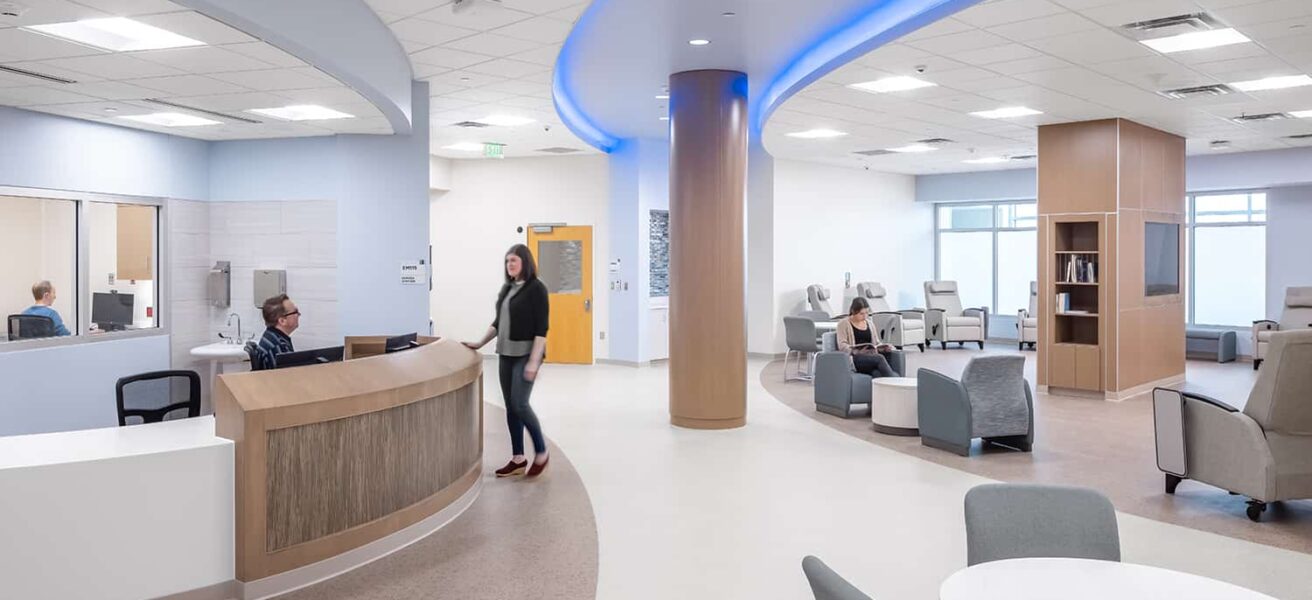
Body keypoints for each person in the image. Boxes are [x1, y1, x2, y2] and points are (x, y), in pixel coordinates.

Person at [464, 244, 551, 479]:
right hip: (506, 354)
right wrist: (480, 342)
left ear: (525, 262)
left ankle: (541, 452)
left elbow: (542, 329)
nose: (509, 265)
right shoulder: (508, 288)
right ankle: (518, 458)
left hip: (525, 354)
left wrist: (534, 362)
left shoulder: (537, 289)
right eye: (506, 261)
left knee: (521, 403)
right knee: (511, 406)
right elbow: (498, 321)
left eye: (513, 260)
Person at [835, 297, 897, 378]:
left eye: (867, 313)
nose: (865, 316)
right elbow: (842, 345)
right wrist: (857, 351)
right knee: (880, 358)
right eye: (861, 314)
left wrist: (883, 348)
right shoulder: (843, 324)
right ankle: (897, 384)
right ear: (853, 311)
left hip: (870, 357)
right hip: (855, 358)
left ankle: (889, 387)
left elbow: (876, 343)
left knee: (877, 373)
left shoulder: (870, 323)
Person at [251, 294, 299, 370]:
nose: (298, 315)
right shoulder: (278, 348)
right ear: (282, 321)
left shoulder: (270, 336)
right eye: (295, 312)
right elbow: (287, 379)